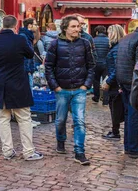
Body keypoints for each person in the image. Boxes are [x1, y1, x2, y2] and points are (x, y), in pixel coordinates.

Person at [0, 15, 43, 161]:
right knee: (24, 118)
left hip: (0, 83)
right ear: (15, 26)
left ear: (2, 25)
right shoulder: (20, 39)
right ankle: (28, 151)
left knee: (3, 119)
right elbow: (30, 54)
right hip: (18, 82)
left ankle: (7, 151)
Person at [45, 15, 95, 166]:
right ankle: (61, 141)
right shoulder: (55, 44)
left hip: (79, 89)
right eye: (73, 26)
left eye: (78, 26)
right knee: (60, 120)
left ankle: (79, 152)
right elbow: (48, 67)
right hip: (62, 89)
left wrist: (86, 85)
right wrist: (56, 86)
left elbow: (92, 65)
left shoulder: (85, 43)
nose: (77, 29)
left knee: (79, 121)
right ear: (65, 28)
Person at [115, 19, 138, 159]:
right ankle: (134, 148)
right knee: (135, 114)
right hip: (134, 82)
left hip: (124, 80)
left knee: (129, 114)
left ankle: (129, 146)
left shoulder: (126, 38)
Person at [102, 24, 126, 140]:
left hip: (116, 84)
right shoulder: (118, 47)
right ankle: (115, 131)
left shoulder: (117, 48)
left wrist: (109, 81)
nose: (108, 36)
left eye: (109, 33)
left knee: (115, 108)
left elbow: (117, 68)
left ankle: (115, 132)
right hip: (117, 82)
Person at [92, 26, 110, 104]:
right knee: (106, 80)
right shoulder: (109, 40)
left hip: (96, 64)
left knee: (95, 81)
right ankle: (106, 100)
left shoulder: (93, 40)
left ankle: (96, 97)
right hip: (106, 64)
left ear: (97, 32)